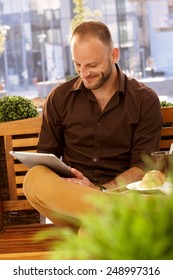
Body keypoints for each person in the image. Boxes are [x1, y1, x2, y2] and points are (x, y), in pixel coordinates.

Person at [23, 20, 162, 227]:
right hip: (70, 201)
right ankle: (107, 218)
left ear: (114, 54)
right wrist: (73, 188)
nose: (84, 73)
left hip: (118, 195)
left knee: (87, 234)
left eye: (92, 65)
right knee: (34, 177)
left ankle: (98, 222)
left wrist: (100, 190)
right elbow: (47, 157)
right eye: (77, 64)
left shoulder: (144, 100)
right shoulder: (59, 98)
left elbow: (142, 166)